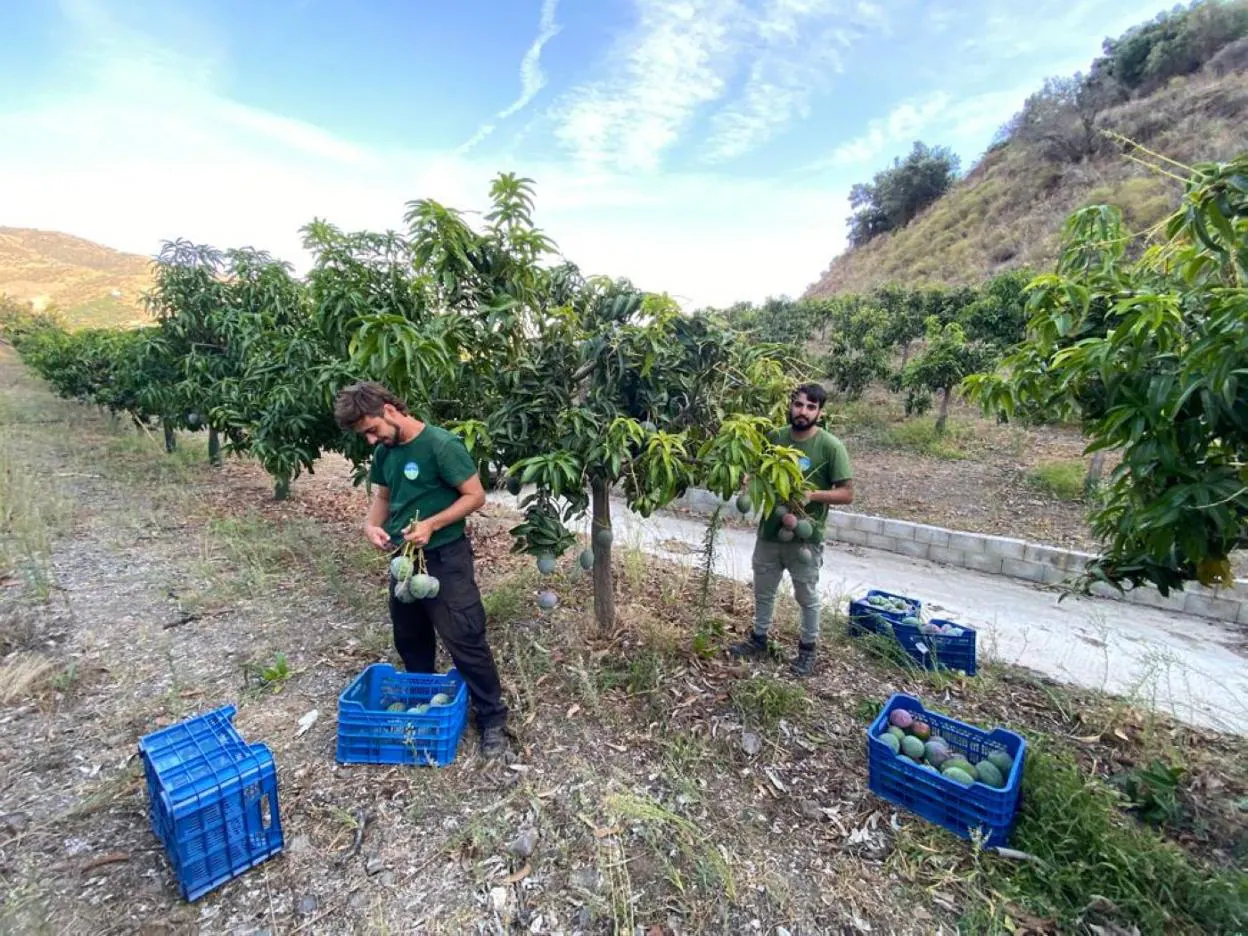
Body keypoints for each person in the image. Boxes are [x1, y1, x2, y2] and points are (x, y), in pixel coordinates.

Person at [333, 381, 510, 758]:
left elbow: (475, 496)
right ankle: (425, 704)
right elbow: (383, 496)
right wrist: (370, 525)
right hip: (404, 559)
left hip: (445, 558)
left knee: (464, 636)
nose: (370, 440)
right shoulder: (385, 450)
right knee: (410, 635)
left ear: (390, 411)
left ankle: (493, 718)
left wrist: (432, 524)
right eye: (364, 435)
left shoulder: (441, 445)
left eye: (372, 430)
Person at [730, 383, 853, 676]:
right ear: (790, 406)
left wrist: (811, 496)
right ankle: (758, 640)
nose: (803, 411)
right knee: (763, 591)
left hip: (804, 540)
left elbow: (847, 494)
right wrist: (748, 479)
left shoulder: (830, 446)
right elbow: (757, 470)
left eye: (811, 407)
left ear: (820, 413)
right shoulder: (775, 438)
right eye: (798, 405)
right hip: (770, 533)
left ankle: (807, 649)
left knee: (806, 596)